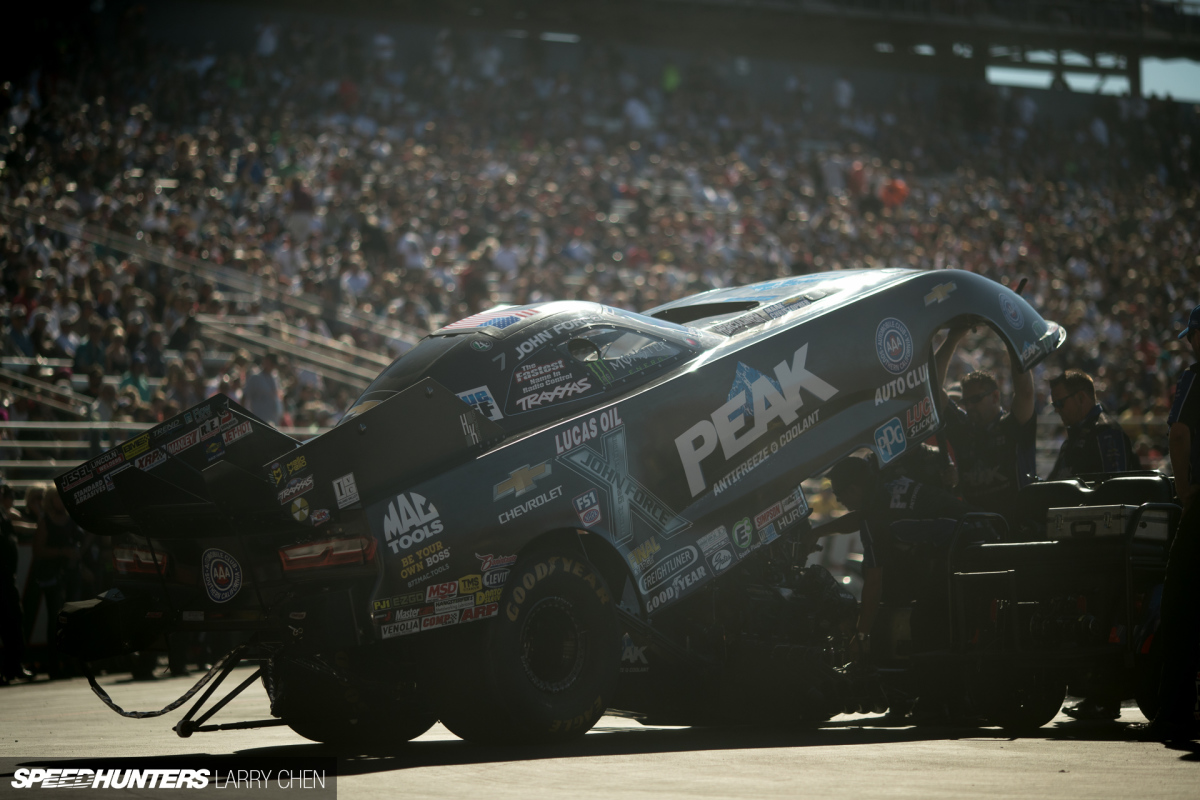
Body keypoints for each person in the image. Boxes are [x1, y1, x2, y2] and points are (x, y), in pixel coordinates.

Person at [1136, 304, 1200, 742]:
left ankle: (1176, 710)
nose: (1191, 343)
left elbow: (1178, 433)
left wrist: (1184, 492)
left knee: (1180, 606)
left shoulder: (1196, 376)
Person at [935, 326, 1037, 517]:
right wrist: (954, 337)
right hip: (977, 528)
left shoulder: (1012, 426)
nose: (970, 407)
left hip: (1018, 526)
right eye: (966, 402)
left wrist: (1010, 336)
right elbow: (932, 387)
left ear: (996, 396)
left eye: (976, 400)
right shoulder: (963, 429)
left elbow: (1026, 392)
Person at [1048, 370, 1141, 480]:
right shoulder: (1072, 438)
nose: (1057, 410)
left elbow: (1115, 488)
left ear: (1081, 398)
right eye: (1054, 405)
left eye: (1060, 403)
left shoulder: (1106, 432)